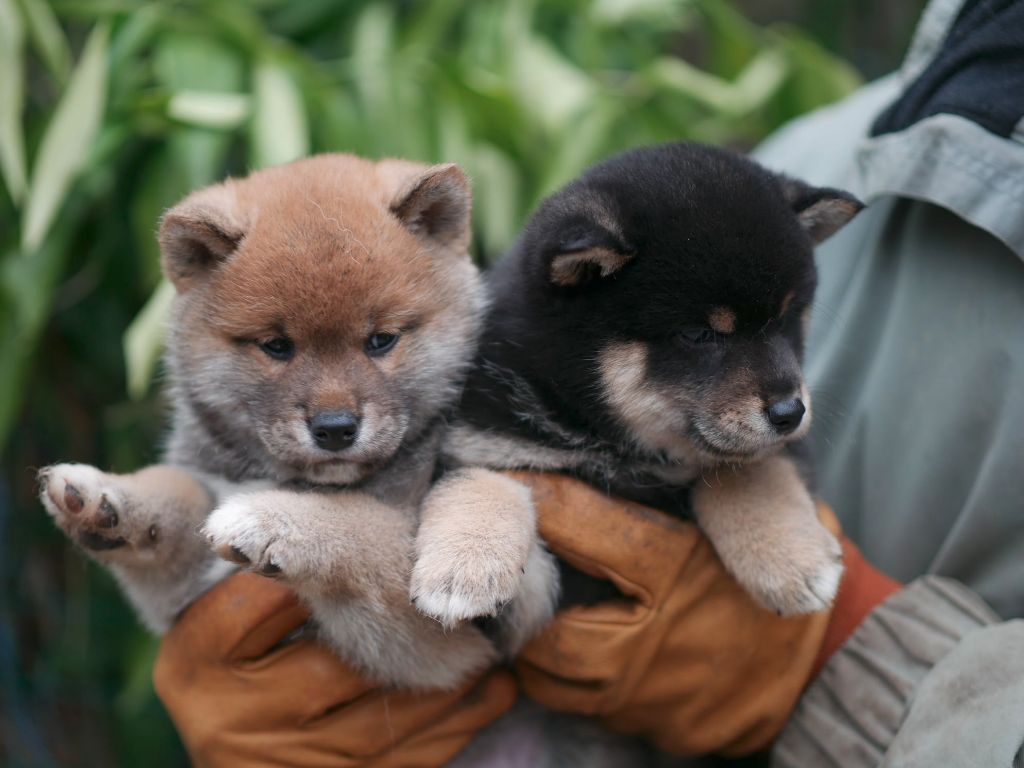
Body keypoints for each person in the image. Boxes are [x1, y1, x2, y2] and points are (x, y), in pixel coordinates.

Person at [153, 0, 1024, 764]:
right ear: (582, 273)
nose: (784, 389)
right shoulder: (848, 147)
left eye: (383, 339)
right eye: (703, 339)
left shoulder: (819, 175)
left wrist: (852, 658)